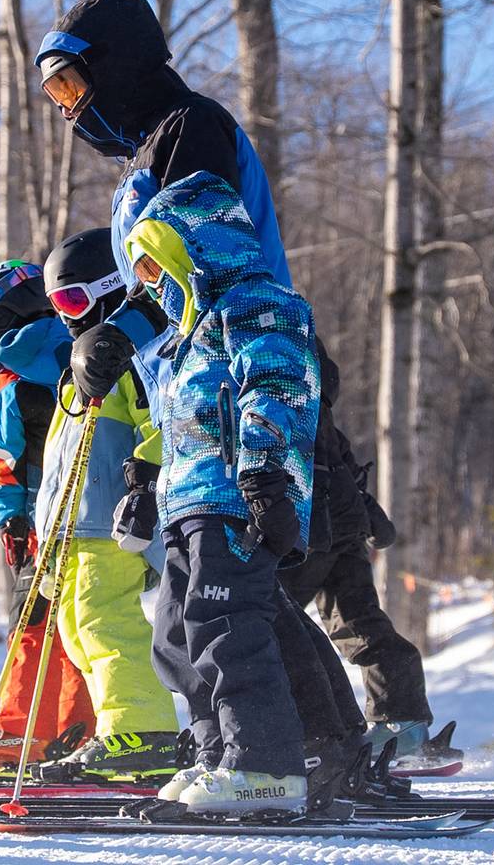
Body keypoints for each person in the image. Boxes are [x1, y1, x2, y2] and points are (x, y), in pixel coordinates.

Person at [36, 0, 401, 793]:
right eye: (54, 96)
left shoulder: (187, 131)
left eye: (70, 84)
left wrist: (129, 328)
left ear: (113, 64)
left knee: (227, 601)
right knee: (198, 612)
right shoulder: (147, 157)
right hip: (192, 403)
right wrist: (122, 345)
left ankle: (280, 756)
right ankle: (298, 751)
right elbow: (169, 282)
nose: (69, 112)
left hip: (245, 389)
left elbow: (203, 263)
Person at [67, 169, 321, 816]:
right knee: (175, 635)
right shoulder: (186, 336)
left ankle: (264, 765)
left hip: (238, 498)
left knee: (227, 627)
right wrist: (149, 482)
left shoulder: (258, 305)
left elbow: (276, 388)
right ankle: (219, 753)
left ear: (194, 250)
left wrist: (265, 474)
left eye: (155, 267)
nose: (149, 285)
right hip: (190, 504)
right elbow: (175, 423)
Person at [30, 229, 181, 781]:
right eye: (57, 305)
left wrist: (146, 486)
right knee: (75, 630)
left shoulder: (131, 360)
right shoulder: (82, 373)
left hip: (112, 525)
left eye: (72, 300)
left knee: (104, 623)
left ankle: (144, 730)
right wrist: (46, 543)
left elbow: (161, 425)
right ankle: (118, 730)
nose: (67, 316)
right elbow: (59, 470)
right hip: (74, 530)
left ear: (110, 288)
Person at [0, 259, 94, 767]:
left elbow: (4, 460)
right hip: (95, 515)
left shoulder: (6, 379)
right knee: (83, 624)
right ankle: (82, 730)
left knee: (31, 624)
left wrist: (10, 519)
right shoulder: (88, 349)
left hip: (41, 519)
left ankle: (17, 733)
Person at [282, 347, 435, 758]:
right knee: (358, 622)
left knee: (276, 625)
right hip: (342, 526)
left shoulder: (279, 400)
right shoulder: (317, 410)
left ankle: (319, 733)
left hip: (310, 526)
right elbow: (342, 464)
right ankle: (399, 722)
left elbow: (327, 465)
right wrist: (366, 512)